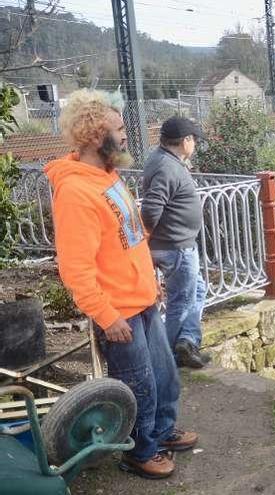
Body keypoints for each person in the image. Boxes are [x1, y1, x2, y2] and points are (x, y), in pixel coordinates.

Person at [45, 89, 197, 479]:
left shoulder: (107, 177)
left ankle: (162, 432)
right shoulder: (76, 192)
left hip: (142, 299)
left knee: (164, 378)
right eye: (118, 128)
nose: (126, 134)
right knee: (139, 386)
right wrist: (106, 315)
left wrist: (151, 280)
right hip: (119, 313)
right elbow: (76, 268)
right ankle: (139, 451)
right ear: (96, 136)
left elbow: (130, 239)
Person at [140, 117, 210, 369]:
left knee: (197, 291)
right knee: (180, 301)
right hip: (175, 246)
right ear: (185, 141)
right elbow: (150, 209)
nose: (196, 144)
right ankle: (170, 358)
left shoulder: (164, 160)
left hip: (177, 243)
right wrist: (152, 238)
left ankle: (187, 342)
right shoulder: (166, 167)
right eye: (194, 139)